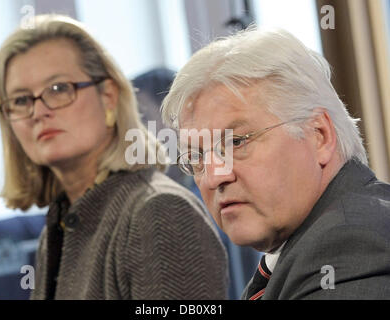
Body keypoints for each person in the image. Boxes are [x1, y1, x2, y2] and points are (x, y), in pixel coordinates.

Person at [0, 14, 228, 299]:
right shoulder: (58, 228)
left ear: (108, 96)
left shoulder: (158, 211)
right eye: (20, 100)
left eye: (58, 89)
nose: (38, 111)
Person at [161, 27, 390, 299]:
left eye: (236, 142)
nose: (213, 178)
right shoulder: (304, 246)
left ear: (319, 136)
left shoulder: (350, 242)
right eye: (197, 157)